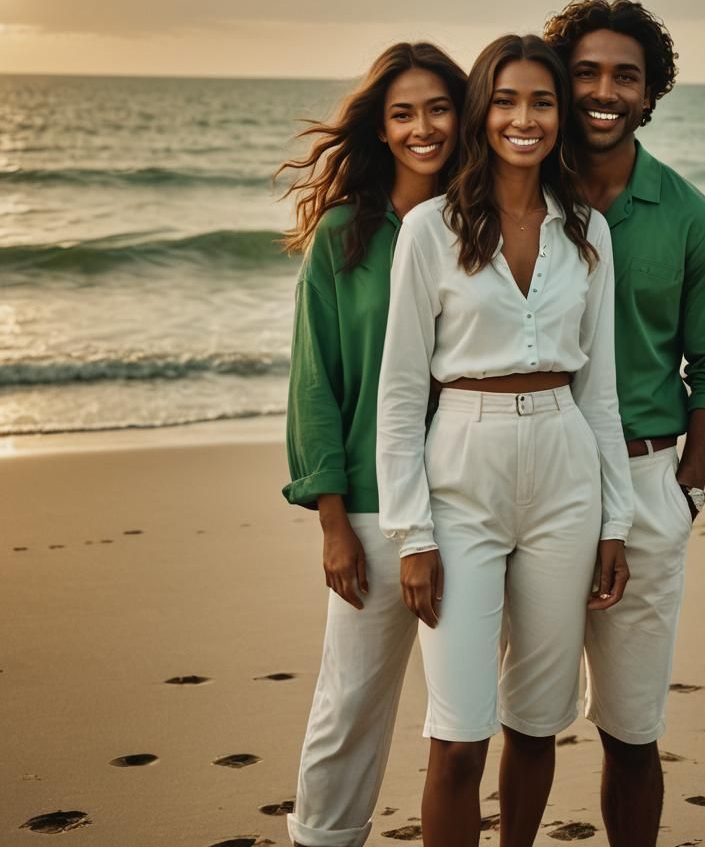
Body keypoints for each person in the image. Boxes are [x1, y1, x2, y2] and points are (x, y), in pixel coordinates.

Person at [375, 34, 634, 847]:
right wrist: (413, 534)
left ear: (560, 115)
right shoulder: (427, 230)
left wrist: (615, 520)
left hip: (565, 471)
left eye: (543, 102)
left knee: (536, 720)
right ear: (484, 108)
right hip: (463, 473)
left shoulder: (587, 229)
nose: (525, 119)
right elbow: (401, 392)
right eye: (509, 100)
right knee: (458, 735)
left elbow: (601, 391)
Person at [543, 0, 705, 846]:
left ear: (650, 91)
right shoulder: (518, 191)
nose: (603, 91)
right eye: (586, 72)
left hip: (644, 482)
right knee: (521, 717)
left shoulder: (692, 218)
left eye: (624, 76)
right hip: (529, 473)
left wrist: (687, 491)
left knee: (631, 730)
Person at [276, 42, 467, 847]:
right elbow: (315, 382)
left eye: (437, 108)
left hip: (473, 497)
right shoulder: (344, 237)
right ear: (381, 129)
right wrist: (331, 519)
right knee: (350, 701)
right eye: (402, 113)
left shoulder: (488, 224)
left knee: (463, 712)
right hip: (371, 508)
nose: (422, 127)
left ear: (464, 115)